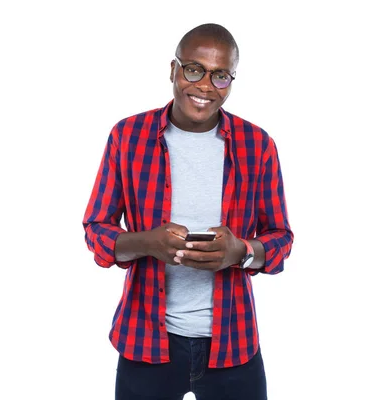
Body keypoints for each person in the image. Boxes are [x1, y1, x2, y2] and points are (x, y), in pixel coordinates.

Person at [83, 23, 293, 400]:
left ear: (232, 80)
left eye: (220, 75)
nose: (205, 86)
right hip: (146, 342)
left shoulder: (257, 145)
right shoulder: (127, 136)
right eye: (194, 69)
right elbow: (96, 230)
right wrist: (147, 243)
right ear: (173, 71)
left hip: (233, 344)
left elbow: (280, 239)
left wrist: (240, 252)